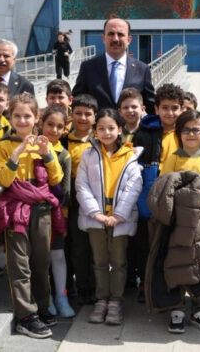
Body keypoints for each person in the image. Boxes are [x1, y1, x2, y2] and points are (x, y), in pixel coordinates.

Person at [0, 93, 65, 339]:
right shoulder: (3, 145)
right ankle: (26, 315)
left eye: (27, 116)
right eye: (17, 116)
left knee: (41, 261)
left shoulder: (44, 144)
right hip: (15, 211)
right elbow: (2, 179)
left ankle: (42, 305)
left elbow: (56, 179)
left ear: (36, 118)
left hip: (42, 209)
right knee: (19, 264)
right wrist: (16, 155)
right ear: (9, 117)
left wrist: (46, 154)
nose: (22, 120)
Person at [159, 109, 200, 333]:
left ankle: (199, 309)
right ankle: (176, 309)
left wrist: (198, 189)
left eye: (195, 130)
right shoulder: (173, 157)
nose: (190, 134)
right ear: (179, 133)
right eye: (186, 130)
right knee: (177, 262)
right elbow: (164, 186)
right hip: (177, 220)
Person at [76, 109, 143, 326]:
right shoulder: (88, 155)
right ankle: (101, 299)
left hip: (120, 220)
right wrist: (96, 213)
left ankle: (116, 300)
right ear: (95, 131)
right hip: (96, 218)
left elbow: (134, 187)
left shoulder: (131, 156)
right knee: (100, 261)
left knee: (119, 261)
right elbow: (82, 186)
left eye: (111, 128)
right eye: (101, 128)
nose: (106, 133)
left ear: (120, 130)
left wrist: (119, 215)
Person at [128, 84, 185, 301]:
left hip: (177, 192)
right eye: (165, 108)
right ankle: (146, 283)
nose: (170, 113)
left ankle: (170, 283)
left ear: (182, 109)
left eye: (175, 108)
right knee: (147, 243)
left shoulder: (185, 131)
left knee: (171, 242)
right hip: (151, 192)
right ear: (156, 108)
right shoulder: (145, 132)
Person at [38, 106, 75, 319]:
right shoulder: (30, 148)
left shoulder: (64, 155)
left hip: (57, 213)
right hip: (33, 213)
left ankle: (61, 296)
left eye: (59, 126)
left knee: (58, 256)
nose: (53, 130)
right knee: (40, 258)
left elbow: (66, 190)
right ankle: (46, 297)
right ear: (41, 123)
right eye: (50, 124)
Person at [73, 18, 156, 112]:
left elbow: (150, 105)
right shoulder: (88, 67)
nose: (115, 39)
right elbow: (77, 101)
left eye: (121, 34)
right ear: (103, 38)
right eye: (111, 34)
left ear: (129, 39)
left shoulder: (142, 69)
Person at [64, 94, 97, 305]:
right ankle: (73, 285)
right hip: (70, 198)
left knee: (91, 245)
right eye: (78, 113)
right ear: (71, 114)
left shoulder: (101, 138)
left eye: (88, 114)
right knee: (75, 245)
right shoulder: (63, 139)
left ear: (95, 117)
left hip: (95, 198)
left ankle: (90, 286)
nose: (83, 118)